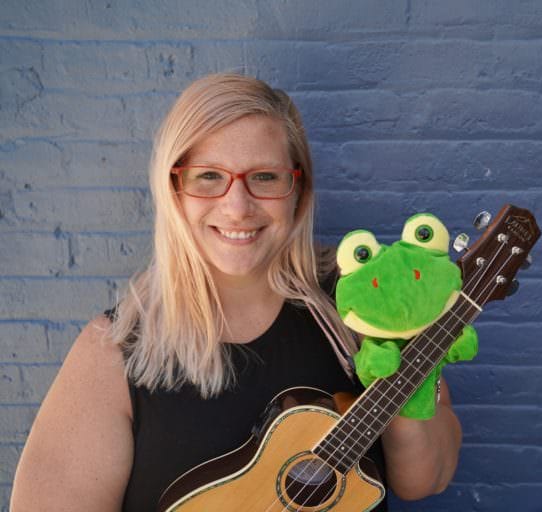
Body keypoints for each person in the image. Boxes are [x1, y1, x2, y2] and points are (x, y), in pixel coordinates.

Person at [10, 73, 462, 511]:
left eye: (265, 177)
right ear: (175, 190)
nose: (237, 207)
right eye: (208, 176)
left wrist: (410, 366)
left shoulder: (364, 304)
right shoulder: (114, 352)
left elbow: (426, 480)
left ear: (297, 190)